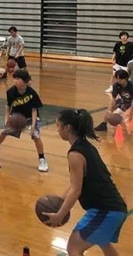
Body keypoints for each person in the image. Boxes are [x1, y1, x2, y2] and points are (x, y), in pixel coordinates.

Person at [43, 109, 127, 256]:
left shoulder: (75, 154)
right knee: (103, 241)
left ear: (67, 127)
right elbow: (75, 183)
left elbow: (76, 189)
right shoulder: (86, 146)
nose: (57, 130)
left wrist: (60, 215)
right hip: (115, 208)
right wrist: (61, 201)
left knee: (73, 247)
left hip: (105, 210)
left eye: (58, 126)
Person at [0, 69, 49, 172]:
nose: (15, 80)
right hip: (16, 116)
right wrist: (6, 120)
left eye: (18, 78)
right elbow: (7, 107)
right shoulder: (11, 92)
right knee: (4, 132)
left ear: (24, 81)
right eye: (14, 78)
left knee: (36, 136)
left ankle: (42, 159)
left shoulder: (32, 93)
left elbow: (34, 110)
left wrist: (34, 125)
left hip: (30, 117)